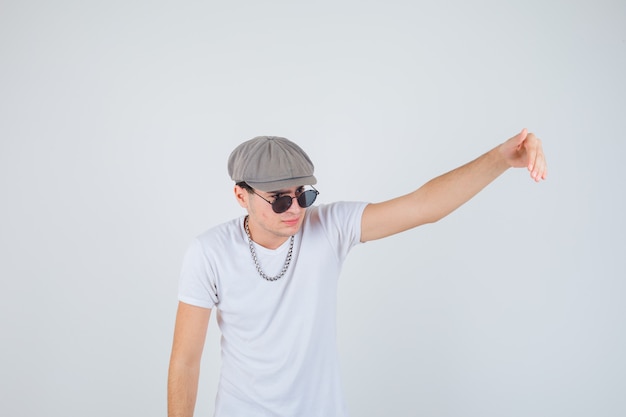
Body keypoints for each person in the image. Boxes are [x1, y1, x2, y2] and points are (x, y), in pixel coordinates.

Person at [167, 129, 547, 417]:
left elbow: (424, 206)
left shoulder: (330, 226)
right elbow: (185, 360)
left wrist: (500, 158)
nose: (295, 209)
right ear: (240, 196)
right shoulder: (209, 252)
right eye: (280, 199)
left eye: (304, 195)